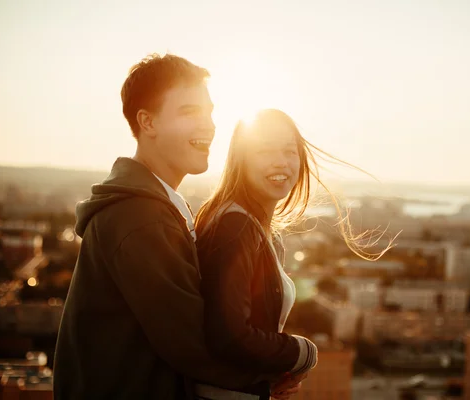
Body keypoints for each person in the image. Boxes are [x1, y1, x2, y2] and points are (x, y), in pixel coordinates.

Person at [53, 55, 297, 400]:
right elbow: (191, 342)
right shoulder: (140, 217)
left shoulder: (161, 206)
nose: (209, 125)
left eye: (210, 112)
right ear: (147, 122)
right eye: (189, 112)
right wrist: (273, 373)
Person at [194, 109, 392, 400]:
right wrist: (303, 352)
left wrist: (270, 375)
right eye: (265, 150)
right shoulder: (234, 226)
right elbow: (229, 337)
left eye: (290, 151)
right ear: (241, 158)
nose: (281, 161)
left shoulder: (253, 226)